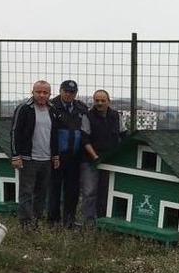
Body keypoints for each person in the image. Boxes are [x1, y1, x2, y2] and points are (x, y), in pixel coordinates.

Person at [10, 80, 59, 230]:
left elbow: (55, 134)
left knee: (41, 193)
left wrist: (55, 156)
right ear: (32, 92)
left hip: (46, 159)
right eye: (39, 92)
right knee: (26, 192)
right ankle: (25, 224)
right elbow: (14, 132)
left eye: (45, 92)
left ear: (50, 94)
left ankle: (36, 221)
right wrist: (15, 156)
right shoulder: (24, 109)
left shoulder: (53, 110)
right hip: (28, 158)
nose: (42, 95)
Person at [80, 89, 126, 226]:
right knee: (89, 192)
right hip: (91, 160)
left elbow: (123, 135)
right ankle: (88, 223)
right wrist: (95, 157)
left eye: (102, 100)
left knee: (107, 192)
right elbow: (84, 140)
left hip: (111, 161)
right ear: (93, 101)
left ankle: (104, 221)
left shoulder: (116, 116)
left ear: (108, 101)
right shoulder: (87, 116)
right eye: (97, 100)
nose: (99, 103)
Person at [47, 79, 88, 228]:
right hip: (57, 156)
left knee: (72, 190)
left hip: (75, 157)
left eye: (72, 92)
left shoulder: (81, 108)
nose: (69, 94)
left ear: (76, 93)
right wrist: (54, 154)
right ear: (60, 91)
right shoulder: (51, 106)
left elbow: (85, 130)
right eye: (66, 91)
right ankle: (53, 220)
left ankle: (69, 220)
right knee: (54, 188)